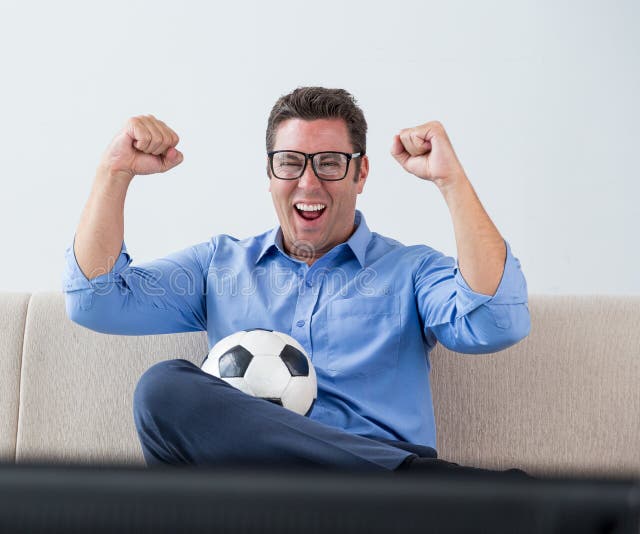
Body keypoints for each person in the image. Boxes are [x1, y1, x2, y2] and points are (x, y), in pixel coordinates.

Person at [63, 87, 531, 475]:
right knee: (162, 389)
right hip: (263, 501)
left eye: (329, 163)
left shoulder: (411, 270)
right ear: (270, 173)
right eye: (290, 162)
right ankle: (432, 486)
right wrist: (114, 172)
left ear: (360, 172)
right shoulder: (219, 266)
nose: (308, 183)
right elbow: (96, 302)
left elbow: (494, 324)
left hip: (380, 509)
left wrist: (451, 181)